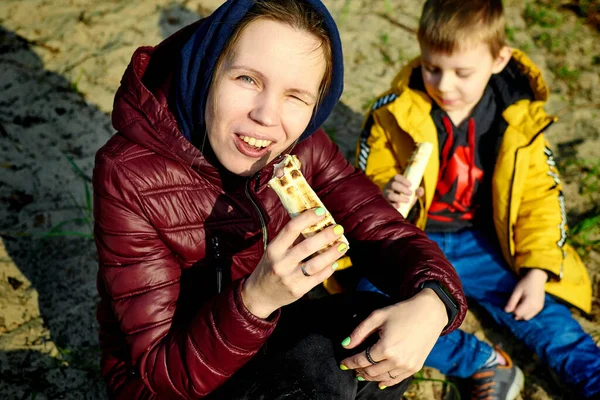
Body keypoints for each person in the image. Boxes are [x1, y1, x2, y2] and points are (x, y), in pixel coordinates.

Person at [92, 0, 468, 399]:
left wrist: (435, 301)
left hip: (267, 336)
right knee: (320, 367)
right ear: (207, 68)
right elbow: (161, 373)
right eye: (247, 79)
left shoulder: (300, 148)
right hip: (173, 378)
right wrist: (258, 297)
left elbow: (384, 230)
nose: (267, 116)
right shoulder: (127, 174)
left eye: (296, 96)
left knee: (378, 333)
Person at [355, 0, 600, 398]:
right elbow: (367, 173)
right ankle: (480, 362)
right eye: (432, 67)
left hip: (485, 242)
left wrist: (536, 271)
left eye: (462, 72)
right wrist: (385, 191)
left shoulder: (519, 121)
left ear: (499, 58)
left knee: (545, 317)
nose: (444, 84)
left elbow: (541, 198)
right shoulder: (394, 111)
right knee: (369, 311)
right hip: (414, 237)